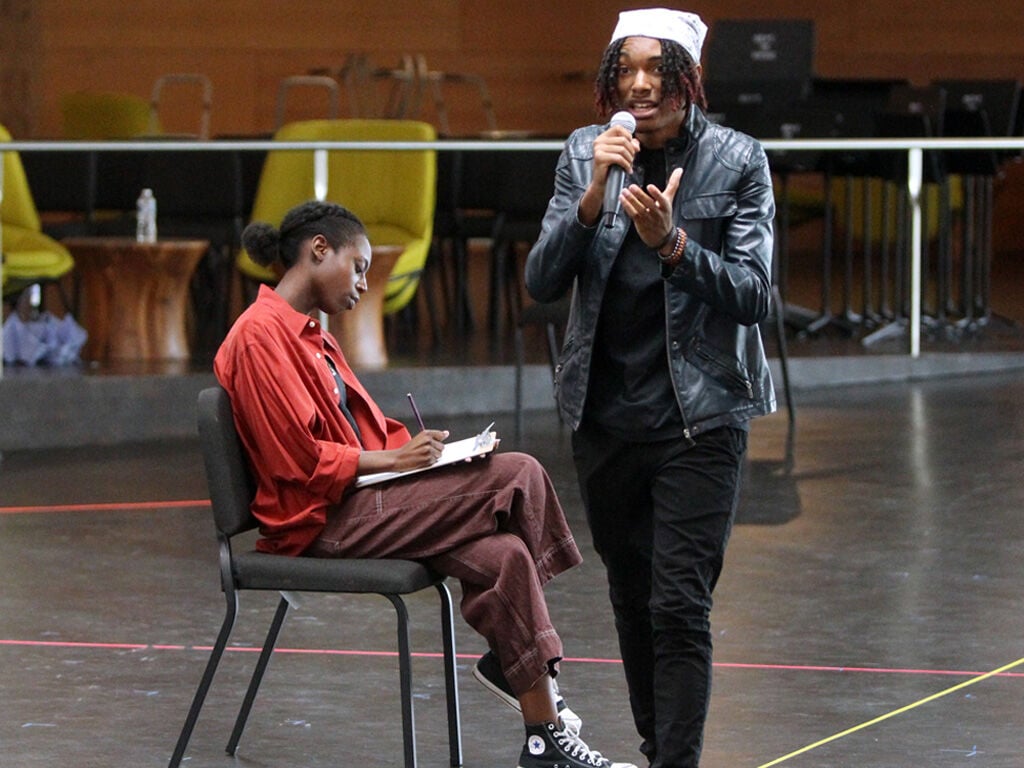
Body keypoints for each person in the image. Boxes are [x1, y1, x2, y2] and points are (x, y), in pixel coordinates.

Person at [214, 200, 637, 768]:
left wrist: (435, 458)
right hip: (321, 522)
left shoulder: (316, 338)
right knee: (521, 474)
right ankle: (527, 667)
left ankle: (543, 740)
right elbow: (301, 463)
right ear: (320, 250)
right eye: (359, 266)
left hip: (359, 502)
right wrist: (397, 464)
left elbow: (368, 433)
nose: (366, 283)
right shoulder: (259, 336)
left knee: (506, 555)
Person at [524, 8, 777, 768]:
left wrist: (672, 245)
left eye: (658, 69)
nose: (640, 84)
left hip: (701, 416)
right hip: (605, 416)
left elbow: (757, 293)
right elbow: (541, 280)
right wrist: (592, 198)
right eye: (625, 69)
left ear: (688, 79)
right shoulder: (582, 153)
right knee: (633, 603)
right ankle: (654, 749)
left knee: (678, 607)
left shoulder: (737, 160)